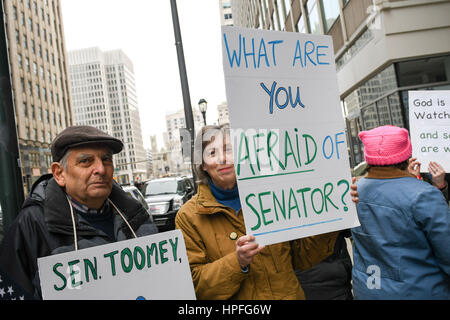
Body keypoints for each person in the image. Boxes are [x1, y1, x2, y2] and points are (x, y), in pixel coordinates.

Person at [175, 124, 356, 300]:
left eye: (229, 149)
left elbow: (304, 257)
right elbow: (195, 285)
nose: (223, 159)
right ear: (203, 165)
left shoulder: (272, 195)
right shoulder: (188, 217)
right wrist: (237, 262)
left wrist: (334, 213)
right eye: (212, 153)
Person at [0, 126, 158, 299]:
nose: (101, 169)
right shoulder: (31, 226)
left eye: (106, 159)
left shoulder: (136, 215)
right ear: (59, 173)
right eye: (86, 161)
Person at [352, 125, 450, 299]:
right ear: (406, 154)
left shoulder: (353, 192)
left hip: (368, 289)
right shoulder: (424, 195)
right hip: (417, 290)